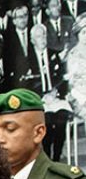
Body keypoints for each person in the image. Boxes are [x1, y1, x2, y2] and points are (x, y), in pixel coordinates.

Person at [27, 23, 70, 162]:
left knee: (62, 119)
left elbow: (63, 78)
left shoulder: (53, 54)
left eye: (44, 35)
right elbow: (26, 84)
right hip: (40, 100)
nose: (43, 38)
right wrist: (42, 96)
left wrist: (56, 91)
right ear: (33, 40)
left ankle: (56, 158)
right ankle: (46, 159)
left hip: (55, 98)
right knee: (47, 122)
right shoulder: (28, 59)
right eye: (39, 36)